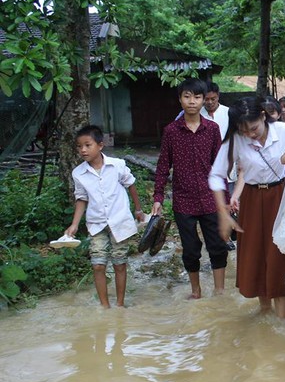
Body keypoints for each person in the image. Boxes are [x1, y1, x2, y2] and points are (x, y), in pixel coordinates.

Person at [210, 97, 285, 319]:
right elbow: (216, 175)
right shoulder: (235, 141)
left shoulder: (284, 131)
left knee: (279, 255)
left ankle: (282, 318)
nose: (250, 135)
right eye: (243, 130)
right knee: (256, 255)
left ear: (263, 115)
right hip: (252, 201)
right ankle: (264, 311)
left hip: (282, 197)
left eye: (253, 128)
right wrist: (223, 212)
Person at [152, 78, 229, 298]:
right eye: (187, 96)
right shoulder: (172, 131)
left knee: (217, 245)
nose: (192, 101)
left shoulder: (212, 129)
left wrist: (226, 197)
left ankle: (220, 292)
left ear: (204, 100)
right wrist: (158, 197)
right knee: (190, 248)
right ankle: (195, 292)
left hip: (210, 198)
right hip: (183, 200)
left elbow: (220, 166)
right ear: (180, 99)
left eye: (197, 97)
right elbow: (163, 165)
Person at [65, 125, 145, 308]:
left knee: (119, 264)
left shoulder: (117, 165)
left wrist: (138, 210)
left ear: (100, 145)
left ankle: (120, 305)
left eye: (87, 145)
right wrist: (75, 224)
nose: (83, 150)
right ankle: (105, 306)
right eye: (79, 146)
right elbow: (81, 199)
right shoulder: (78, 173)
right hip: (96, 224)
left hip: (120, 221)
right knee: (98, 265)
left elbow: (130, 184)